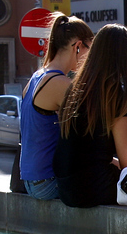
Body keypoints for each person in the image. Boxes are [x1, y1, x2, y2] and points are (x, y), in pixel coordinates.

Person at [53, 24, 127, 208]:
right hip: (93, 187)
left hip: (66, 188)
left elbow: (86, 150)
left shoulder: (75, 88)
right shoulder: (113, 92)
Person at [19, 13, 93, 200]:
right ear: (78, 47)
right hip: (47, 182)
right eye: (89, 51)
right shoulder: (60, 83)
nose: (88, 59)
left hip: (31, 180)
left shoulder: (37, 77)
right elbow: (85, 137)